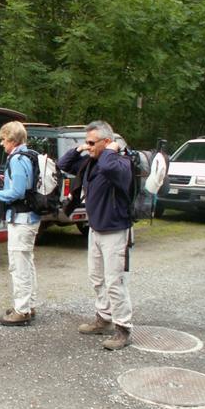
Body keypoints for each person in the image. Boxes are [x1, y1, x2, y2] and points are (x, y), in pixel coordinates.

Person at [57, 120, 133, 350]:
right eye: (86, 141)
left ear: (107, 142)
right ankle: (104, 317)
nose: (88, 146)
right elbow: (63, 163)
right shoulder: (90, 162)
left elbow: (110, 168)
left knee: (114, 281)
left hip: (115, 230)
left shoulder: (120, 163)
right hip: (96, 229)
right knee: (97, 278)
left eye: (92, 142)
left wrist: (111, 150)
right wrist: (80, 148)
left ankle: (123, 328)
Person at [0, 121, 41, 326]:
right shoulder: (30, 155)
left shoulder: (16, 159)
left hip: (21, 219)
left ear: (13, 140)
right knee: (27, 262)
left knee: (19, 266)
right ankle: (28, 305)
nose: (1, 144)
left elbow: (17, 192)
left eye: (3, 140)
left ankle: (22, 310)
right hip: (31, 217)